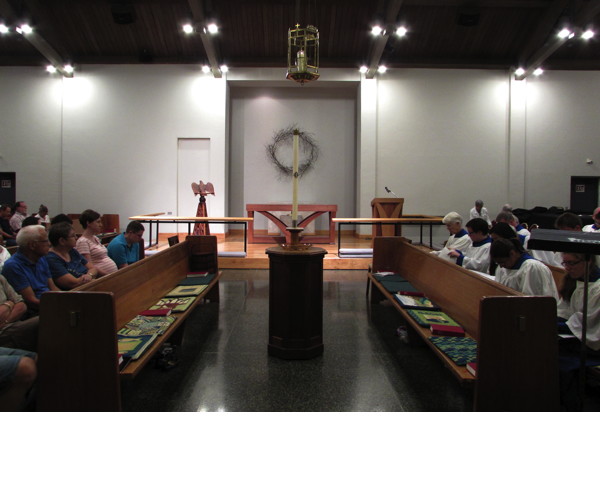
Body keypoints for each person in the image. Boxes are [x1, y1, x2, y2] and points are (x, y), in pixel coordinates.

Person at [556, 253, 600, 409]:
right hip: (578, 336)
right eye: (565, 263)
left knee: (558, 359)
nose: (567, 268)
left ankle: (572, 406)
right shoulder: (574, 282)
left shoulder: (597, 287)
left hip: (593, 343)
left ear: (588, 261)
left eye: (572, 263)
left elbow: (588, 324)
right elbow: (563, 312)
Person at [1, 225, 59, 313]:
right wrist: (61, 306)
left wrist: (66, 299)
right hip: (36, 311)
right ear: (32, 245)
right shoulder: (13, 266)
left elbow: (53, 288)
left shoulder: (41, 258)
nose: (49, 244)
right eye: (46, 241)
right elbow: (31, 301)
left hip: (50, 302)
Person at [490, 237, 558, 299]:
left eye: (502, 262)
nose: (501, 266)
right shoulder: (502, 267)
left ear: (512, 253)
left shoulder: (532, 267)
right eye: (498, 263)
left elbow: (531, 298)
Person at [46, 222, 99, 290]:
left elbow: (93, 268)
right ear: (62, 241)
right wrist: (88, 278)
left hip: (88, 285)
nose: (76, 238)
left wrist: (89, 275)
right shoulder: (51, 259)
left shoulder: (72, 251)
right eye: (73, 236)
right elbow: (72, 283)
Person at [0, 274, 39, 352]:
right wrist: (10, 303)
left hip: (11, 323)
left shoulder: (0, 278)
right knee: (46, 321)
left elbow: (22, 305)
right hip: (2, 332)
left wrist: (6, 320)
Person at [75, 210, 118, 277]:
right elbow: (89, 266)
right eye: (98, 222)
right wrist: (108, 275)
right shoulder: (83, 242)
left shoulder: (95, 238)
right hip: (102, 277)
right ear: (88, 223)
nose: (101, 225)